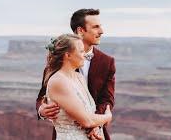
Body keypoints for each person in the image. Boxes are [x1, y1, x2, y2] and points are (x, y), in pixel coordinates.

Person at [36, 9, 116, 140]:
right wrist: (42, 110)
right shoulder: (55, 68)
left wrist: (96, 125)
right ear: (80, 30)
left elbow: (107, 99)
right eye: (96, 27)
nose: (101, 31)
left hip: (95, 134)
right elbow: (43, 96)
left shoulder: (107, 62)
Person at [43, 34, 111, 140]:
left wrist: (95, 127)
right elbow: (87, 121)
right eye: (81, 51)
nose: (85, 55)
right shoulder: (58, 81)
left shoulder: (79, 78)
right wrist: (107, 117)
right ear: (68, 55)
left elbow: (87, 116)